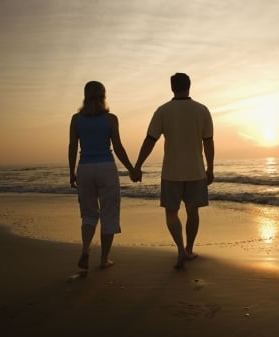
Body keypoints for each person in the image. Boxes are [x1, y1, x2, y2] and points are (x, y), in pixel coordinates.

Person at [134, 73, 214, 269]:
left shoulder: (163, 111)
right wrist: (210, 168)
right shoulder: (202, 110)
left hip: (171, 171)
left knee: (172, 213)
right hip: (195, 170)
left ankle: (180, 249)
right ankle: (189, 248)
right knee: (192, 211)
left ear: (172, 87)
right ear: (189, 86)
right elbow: (208, 142)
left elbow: (150, 140)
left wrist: (138, 165)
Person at [69, 81, 137, 270]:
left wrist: (71, 172)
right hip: (106, 168)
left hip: (85, 168)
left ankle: (85, 251)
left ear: (85, 95)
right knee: (109, 214)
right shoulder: (111, 119)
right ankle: (104, 259)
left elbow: (73, 146)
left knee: (89, 215)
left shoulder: (76, 119)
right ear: (103, 96)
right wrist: (131, 169)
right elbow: (118, 147)